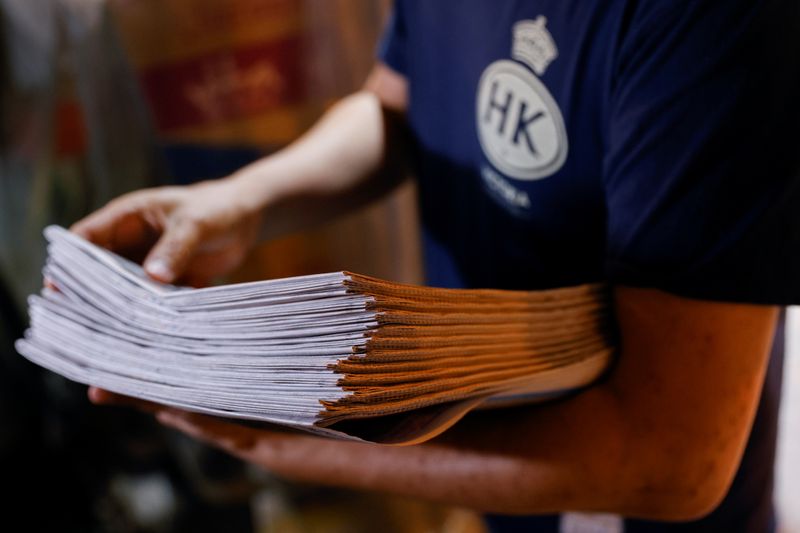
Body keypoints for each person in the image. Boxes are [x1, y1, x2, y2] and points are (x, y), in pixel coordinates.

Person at [71, 1, 800, 531]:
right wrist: (240, 200)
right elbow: (393, 104)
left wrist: (271, 438)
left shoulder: (720, 25)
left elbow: (673, 459)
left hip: (617, 501)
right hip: (495, 452)